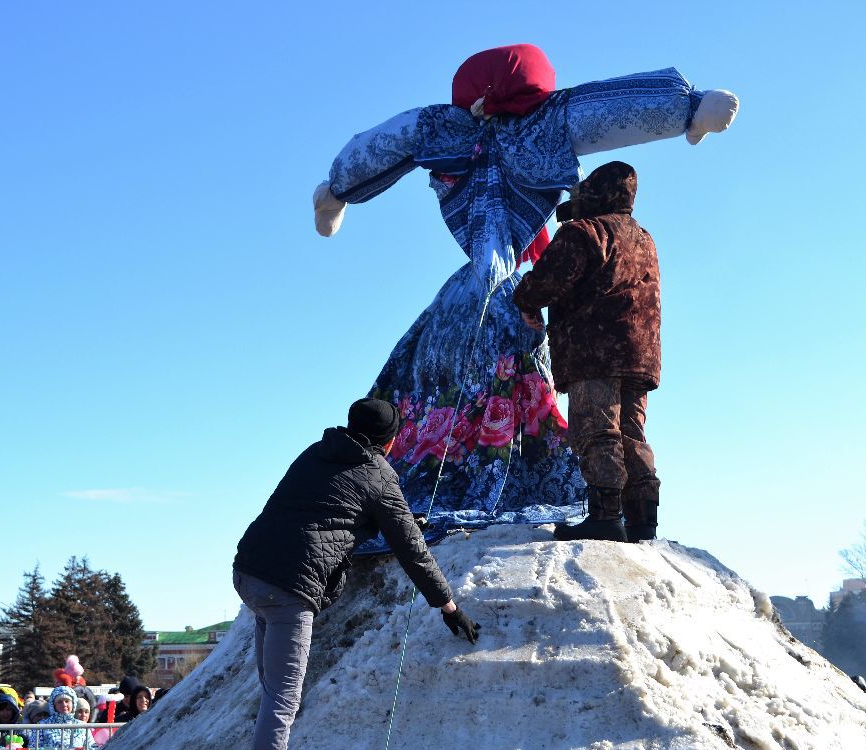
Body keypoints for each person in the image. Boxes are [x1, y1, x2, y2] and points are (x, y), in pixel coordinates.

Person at [314, 47, 737, 537]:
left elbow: (384, 143)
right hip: (607, 338)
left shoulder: (441, 128)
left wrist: (336, 191)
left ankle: (598, 512)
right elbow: (608, 108)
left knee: (578, 419)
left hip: (489, 300)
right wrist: (688, 107)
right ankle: (631, 515)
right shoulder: (563, 137)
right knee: (619, 427)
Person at [231, 397, 480, 750]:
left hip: (250, 571)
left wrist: (374, 522)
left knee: (272, 697)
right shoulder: (379, 474)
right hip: (290, 586)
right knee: (282, 704)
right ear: (390, 440)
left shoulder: (315, 451)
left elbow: (319, 511)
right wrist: (447, 606)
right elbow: (412, 549)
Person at [513, 161, 661, 542]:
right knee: (632, 431)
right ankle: (643, 519)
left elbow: (545, 281)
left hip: (594, 349)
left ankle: (605, 516)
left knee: (596, 428)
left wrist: (526, 301)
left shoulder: (587, 232)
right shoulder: (644, 238)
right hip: (640, 353)